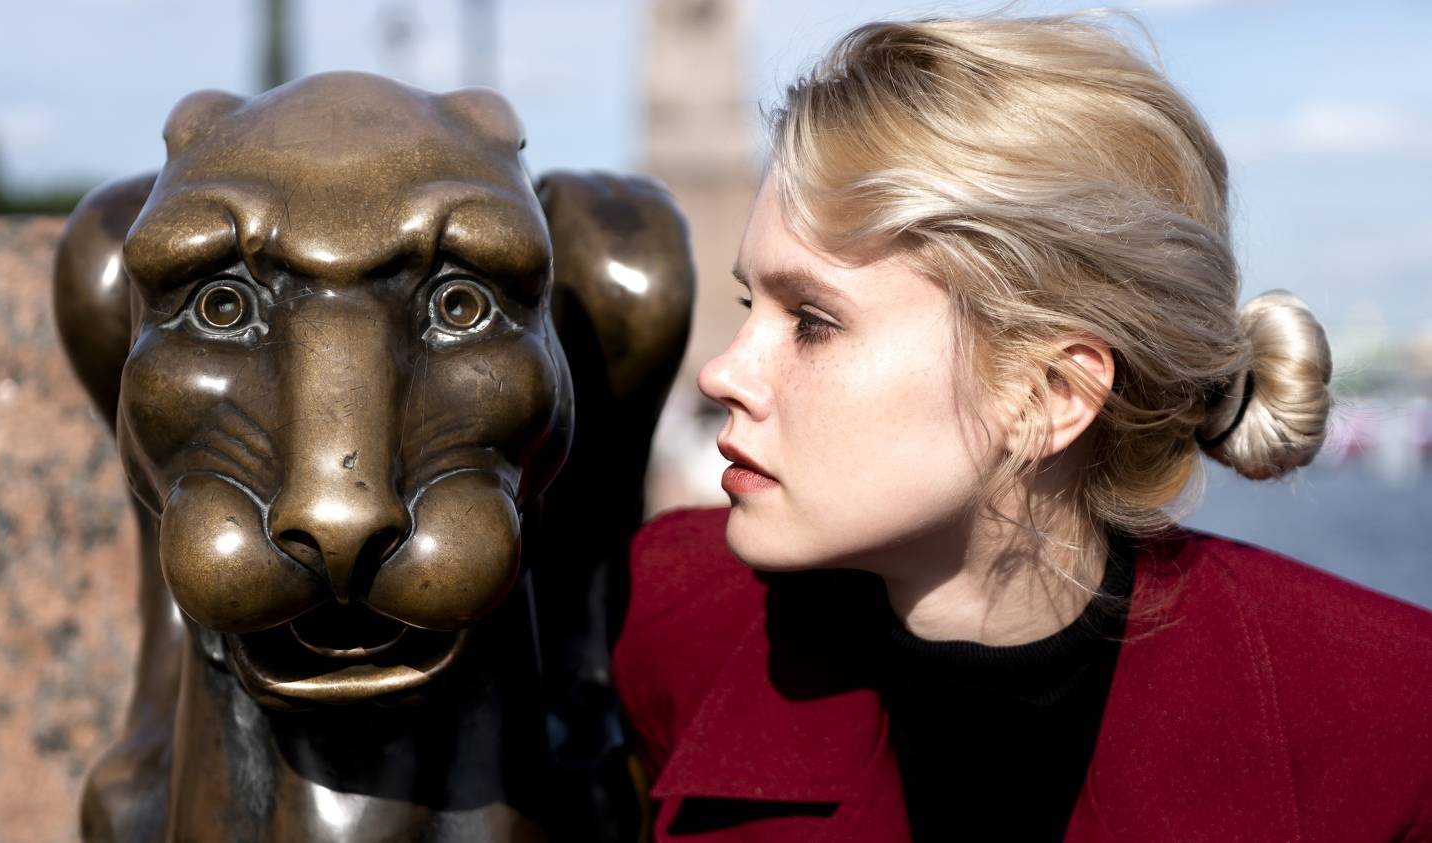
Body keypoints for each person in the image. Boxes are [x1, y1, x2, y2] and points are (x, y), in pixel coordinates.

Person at [611, 13, 1432, 843]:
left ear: (1051, 392)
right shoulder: (649, 619)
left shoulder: (1391, 722)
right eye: (751, 303)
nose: (723, 372)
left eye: (812, 322)